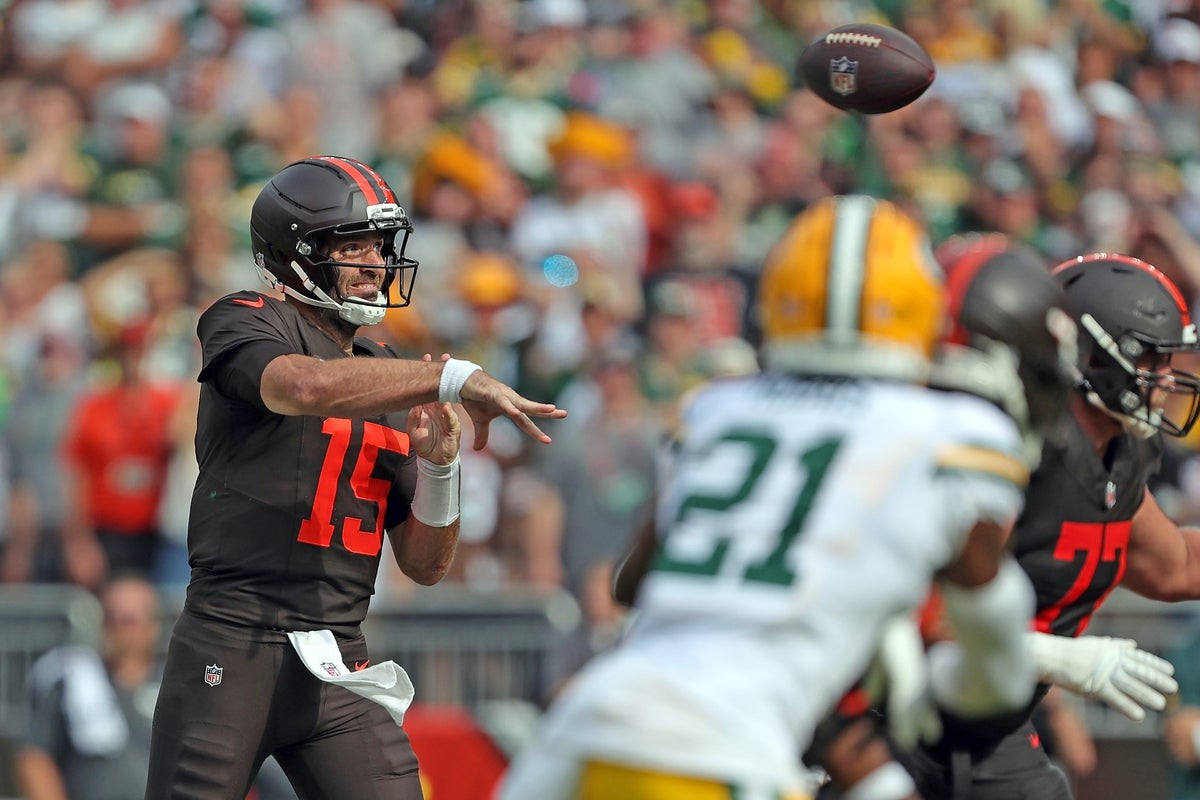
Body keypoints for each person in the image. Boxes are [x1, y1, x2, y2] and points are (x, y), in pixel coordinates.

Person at [496, 194, 1061, 800]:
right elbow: (993, 673)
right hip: (723, 753)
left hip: (589, 728)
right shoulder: (951, 437)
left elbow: (632, 582)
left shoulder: (719, 407)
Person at [143, 155, 566, 799]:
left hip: (336, 657)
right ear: (295, 255)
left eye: (379, 245)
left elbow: (425, 565)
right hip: (234, 637)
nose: (374, 263)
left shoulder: (388, 370)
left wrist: (439, 466)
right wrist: (451, 375)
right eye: (352, 246)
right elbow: (302, 384)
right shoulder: (246, 316)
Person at [884, 248, 1199, 800]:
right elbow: (920, 612)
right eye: (1151, 359)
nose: (1168, 380)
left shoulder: (1121, 456)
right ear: (1094, 356)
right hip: (892, 715)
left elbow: (1175, 567)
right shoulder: (1018, 448)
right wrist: (1058, 657)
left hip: (990, 729)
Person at [14, 573, 164, 800]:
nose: (122, 630)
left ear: (154, 624)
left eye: (130, 620)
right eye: (113, 618)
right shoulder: (73, 678)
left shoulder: (176, 685)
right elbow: (35, 757)